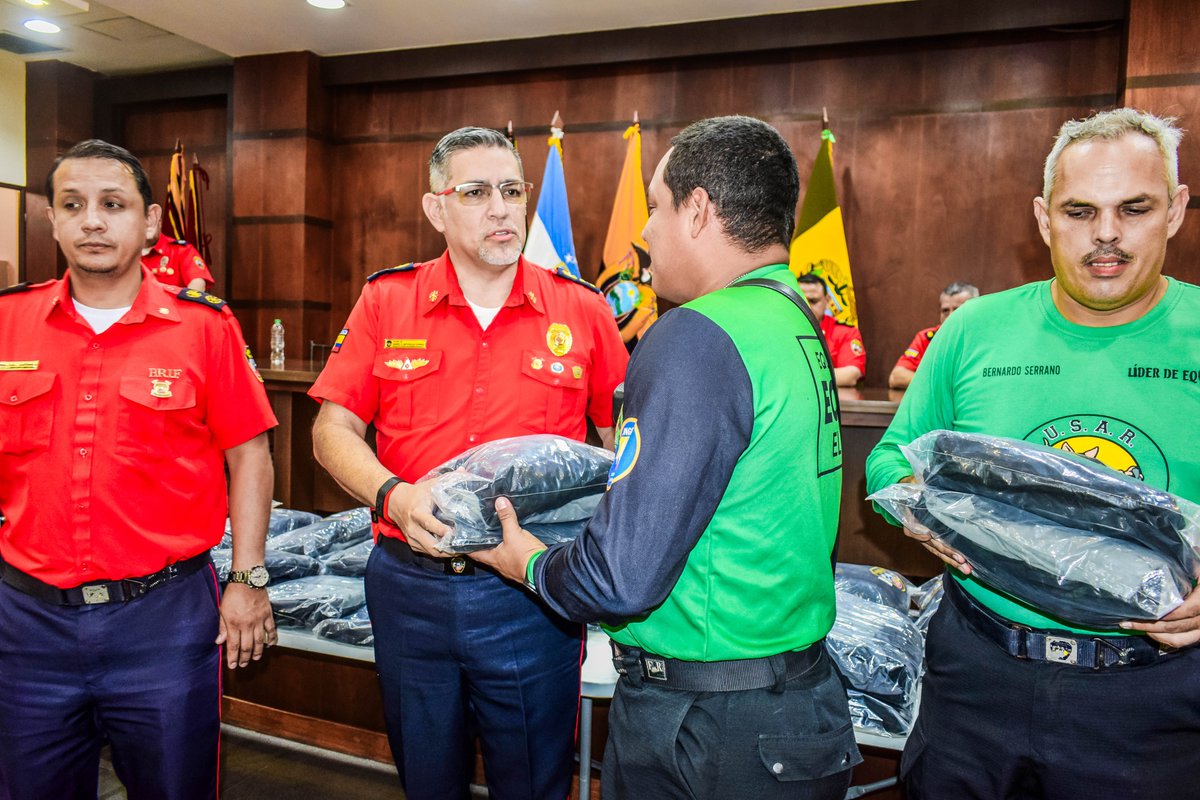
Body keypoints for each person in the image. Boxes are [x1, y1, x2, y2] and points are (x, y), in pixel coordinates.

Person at [469, 115, 861, 799]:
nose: (645, 233)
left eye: (656, 207)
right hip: (792, 704)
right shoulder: (794, 319)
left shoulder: (699, 334)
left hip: (709, 728)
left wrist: (524, 560)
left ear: (699, 210)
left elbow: (619, 579)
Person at [866, 108, 1200, 800]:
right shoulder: (974, 330)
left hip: (1154, 700)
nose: (1105, 234)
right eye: (1080, 212)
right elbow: (890, 459)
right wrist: (920, 512)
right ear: (1045, 220)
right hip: (976, 678)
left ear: (1175, 211)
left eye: (1133, 208)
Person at [309, 126, 628, 800]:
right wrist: (391, 495)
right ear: (437, 208)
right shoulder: (386, 301)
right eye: (476, 192)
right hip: (409, 588)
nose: (501, 208)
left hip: (531, 596)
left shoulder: (585, 311)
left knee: (533, 783)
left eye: (512, 191)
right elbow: (332, 430)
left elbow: (621, 449)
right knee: (427, 780)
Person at [0, 139, 277, 799]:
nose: (93, 220)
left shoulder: (203, 329)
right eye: (74, 205)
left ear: (150, 222)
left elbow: (250, 454)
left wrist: (248, 578)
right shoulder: (9, 323)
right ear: (53, 220)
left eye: (113, 204)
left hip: (163, 621)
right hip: (27, 625)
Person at [887, 281, 979, 389]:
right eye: (945, 311)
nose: (950, 317)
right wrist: (941, 384)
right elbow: (896, 377)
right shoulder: (928, 338)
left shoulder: (985, 339)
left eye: (957, 310)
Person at [798, 271, 865, 385]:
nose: (808, 307)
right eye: (802, 301)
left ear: (827, 301)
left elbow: (850, 375)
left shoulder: (844, 332)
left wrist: (798, 379)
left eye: (813, 301)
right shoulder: (782, 330)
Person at [141, 228, 214, 291]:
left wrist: (184, 305)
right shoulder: (130, 253)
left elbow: (198, 284)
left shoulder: (182, 250)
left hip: (170, 306)